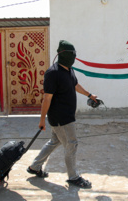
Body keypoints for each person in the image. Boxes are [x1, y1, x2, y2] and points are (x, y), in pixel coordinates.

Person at [27, 40, 97, 189]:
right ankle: (73, 177)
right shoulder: (53, 73)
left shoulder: (69, 70)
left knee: (55, 141)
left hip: (66, 117)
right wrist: (42, 120)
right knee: (71, 145)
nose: (74, 57)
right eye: (71, 54)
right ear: (63, 55)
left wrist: (89, 95)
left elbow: (75, 85)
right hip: (61, 118)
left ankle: (35, 166)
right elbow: (47, 98)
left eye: (74, 55)